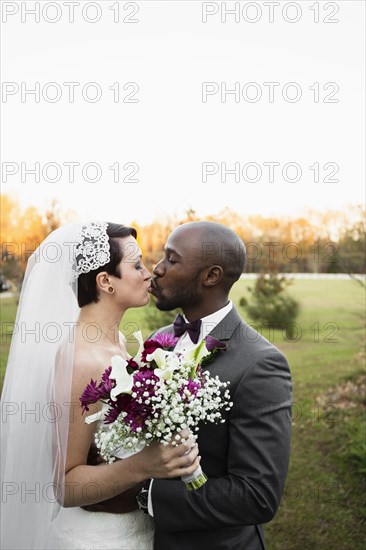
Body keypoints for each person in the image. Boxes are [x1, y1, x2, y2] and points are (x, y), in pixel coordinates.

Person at [0, 221, 200, 550]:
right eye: (136, 265)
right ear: (105, 281)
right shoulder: (82, 360)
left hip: (137, 527)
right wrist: (145, 464)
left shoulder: (116, 342)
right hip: (98, 538)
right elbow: (65, 486)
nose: (148, 274)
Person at [145, 221, 293, 549]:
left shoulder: (261, 365)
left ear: (211, 276)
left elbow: (257, 496)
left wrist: (146, 494)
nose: (157, 269)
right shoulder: (159, 340)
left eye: (172, 259)